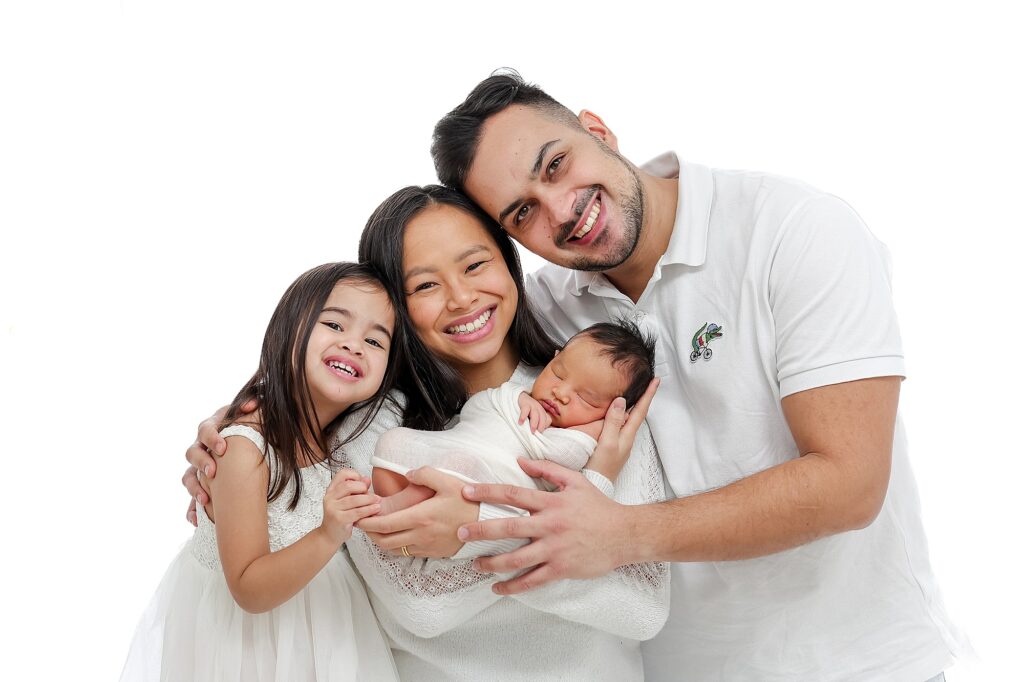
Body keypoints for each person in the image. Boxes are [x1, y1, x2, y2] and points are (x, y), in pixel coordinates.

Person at [426, 71, 963, 681]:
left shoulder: (792, 229)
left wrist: (620, 533)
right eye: (523, 212)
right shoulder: (545, 311)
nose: (561, 209)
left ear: (597, 130)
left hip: (859, 664)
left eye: (555, 165)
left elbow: (850, 482)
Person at [185, 185, 670, 681]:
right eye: (424, 286)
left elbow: (645, 604)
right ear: (394, 307)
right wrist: (240, 439)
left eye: (475, 265)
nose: (461, 298)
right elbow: (418, 607)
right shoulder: (366, 433)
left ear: (508, 261)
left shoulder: (595, 403)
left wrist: (485, 528)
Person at [123, 263, 401, 681]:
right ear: (289, 329)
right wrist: (328, 533)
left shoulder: (346, 443)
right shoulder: (242, 448)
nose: (354, 345)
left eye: (375, 340)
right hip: (250, 650)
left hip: (325, 636)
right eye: (334, 324)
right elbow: (248, 589)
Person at [370, 319, 656, 502]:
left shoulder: (577, 440)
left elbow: (564, 456)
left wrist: (598, 429)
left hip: (479, 484)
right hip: (448, 448)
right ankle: (392, 502)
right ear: (553, 360)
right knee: (393, 441)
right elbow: (474, 410)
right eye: (558, 373)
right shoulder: (517, 393)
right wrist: (517, 397)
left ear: (612, 413)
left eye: (587, 399)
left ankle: (396, 511)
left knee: (460, 467)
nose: (561, 393)